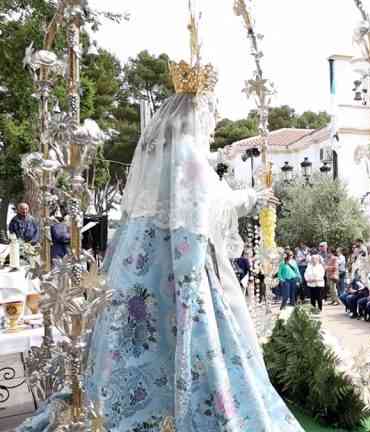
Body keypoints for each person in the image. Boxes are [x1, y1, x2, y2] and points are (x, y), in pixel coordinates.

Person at [17, 72, 302, 431]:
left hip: (137, 262)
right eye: (210, 115)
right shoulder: (188, 154)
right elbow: (210, 203)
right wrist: (254, 197)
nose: (211, 125)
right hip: (182, 265)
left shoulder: (161, 153)